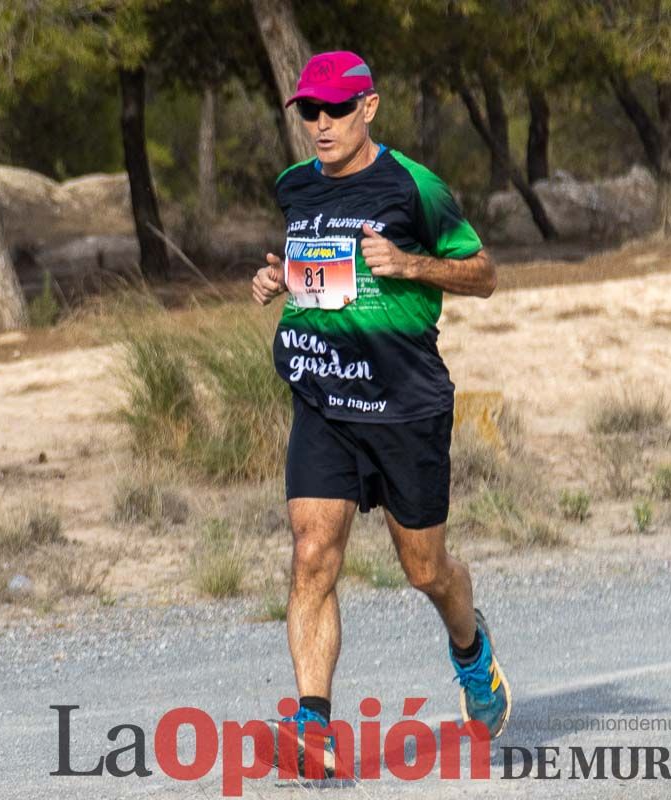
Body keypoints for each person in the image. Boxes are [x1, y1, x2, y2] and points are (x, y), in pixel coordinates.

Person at [251, 51, 510, 773]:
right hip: (324, 398)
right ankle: (315, 730)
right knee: (311, 556)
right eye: (310, 110)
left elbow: (484, 274)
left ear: (370, 108)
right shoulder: (295, 186)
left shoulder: (413, 186)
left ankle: (471, 650)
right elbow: (321, 280)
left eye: (336, 109)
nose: (322, 124)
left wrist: (411, 265)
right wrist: (280, 281)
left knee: (425, 571)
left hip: (403, 409)